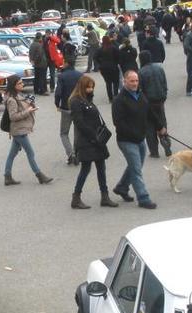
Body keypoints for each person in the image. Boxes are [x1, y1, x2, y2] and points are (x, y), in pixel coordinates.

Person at [111, 70, 166, 209]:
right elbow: (118, 122)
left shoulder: (140, 95)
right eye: (132, 81)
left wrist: (160, 126)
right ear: (125, 82)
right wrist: (134, 133)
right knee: (136, 169)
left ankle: (122, 187)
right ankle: (143, 198)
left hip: (140, 139)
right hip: (127, 141)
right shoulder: (119, 100)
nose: (135, 83)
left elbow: (149, 112)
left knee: (135, 166)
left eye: (136, 81)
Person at [68, 76, 119, 209]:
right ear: (82, 87)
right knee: (85, 169)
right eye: (88, 87)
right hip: (87, 141)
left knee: (101, 168)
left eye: (92, 87)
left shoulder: (87, 99)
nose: (90, 89)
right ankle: (76, 197)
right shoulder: (75, 101)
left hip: (96, 141)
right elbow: (79, 123)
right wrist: (93, 136)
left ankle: (105, 196)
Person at [2, 76, 53, 186]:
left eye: (21, 83)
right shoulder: (12, 100)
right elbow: (13, 117)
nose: (22, 85)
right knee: (30, 153)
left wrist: (30, 106)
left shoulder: (17, 96)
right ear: (13, 85)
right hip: (19, 130)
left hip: (20, 129)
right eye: (19, 83)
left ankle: (7, 176)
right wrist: (28, 111)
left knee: (12, 154)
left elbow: (22, 108)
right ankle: (39, 175)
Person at [138, 51, 171, 158]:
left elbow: (140, 90)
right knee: (162, 123)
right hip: (160, 100)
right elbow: (164, 83)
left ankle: (154, 151)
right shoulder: (159, 69)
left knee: (149, 127)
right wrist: (164, 95)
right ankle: (166, 143)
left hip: (148, 102)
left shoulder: (141, 72)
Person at [54, 60, 82, 165]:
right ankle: (77, 153)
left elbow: (58, 92)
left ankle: (71, 154)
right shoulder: (80, 75)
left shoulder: (62, 76)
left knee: (64, 133)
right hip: (78, 107)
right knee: (77, 131)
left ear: (66, 64)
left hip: (66, 108)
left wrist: (57, 104)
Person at [96, 35, 121, 101]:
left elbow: (95, 57)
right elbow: (118, 56)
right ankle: (115, 96)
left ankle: (110, 98)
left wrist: (100, 63)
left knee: (108, 83)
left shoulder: (100, 49)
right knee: (116, 82)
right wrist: (116, 62)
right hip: (113, 67)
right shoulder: (113, 48)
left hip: (104, 68)